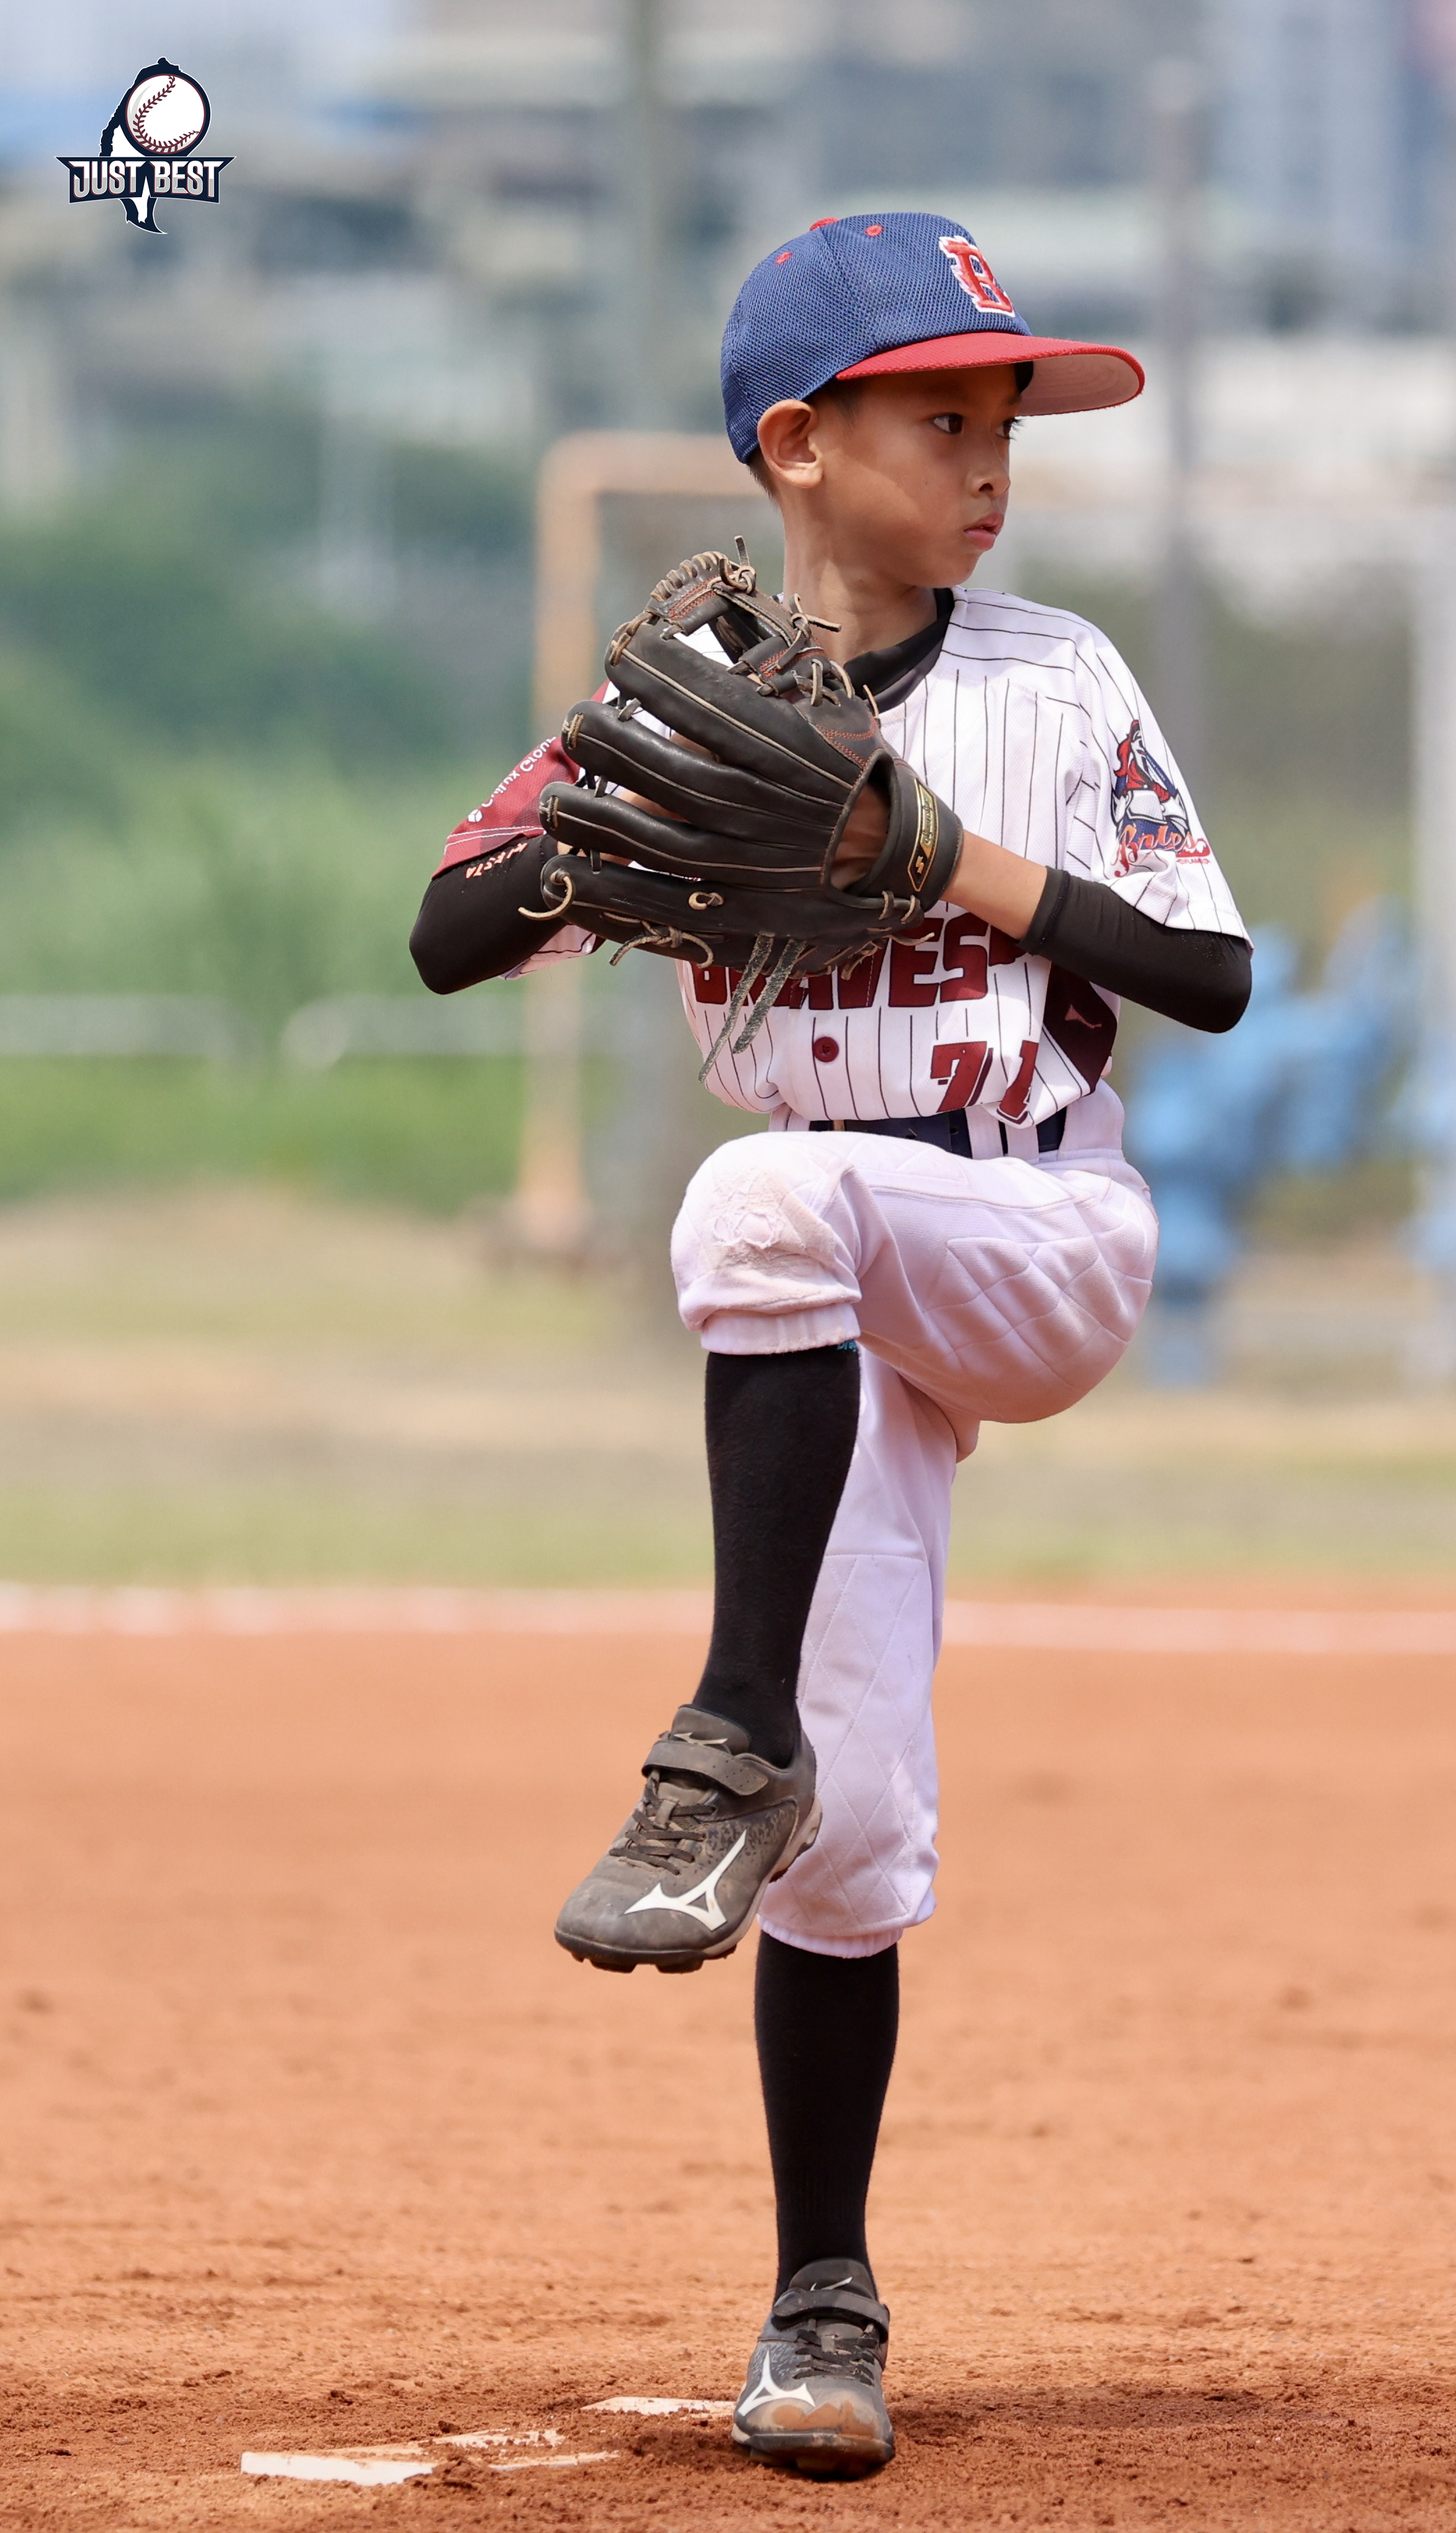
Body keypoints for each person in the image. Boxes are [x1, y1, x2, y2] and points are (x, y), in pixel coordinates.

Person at [410, 211, 1251, 2481]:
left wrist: (932, 849)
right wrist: (609, 831)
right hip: (829, 1307)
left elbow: (1207, 975)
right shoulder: (695, 697)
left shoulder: (1054, 679)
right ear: (795, 444)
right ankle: (820, 2308)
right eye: (940, 419)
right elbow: (444, 934)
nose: (990, 463)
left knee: (754, 1194)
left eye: (1004, 425)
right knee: (853, 1836)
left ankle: (718, 1735)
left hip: (1031, 1225)